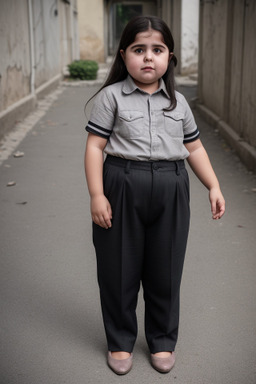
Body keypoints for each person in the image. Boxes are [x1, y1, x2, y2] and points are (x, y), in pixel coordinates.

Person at [84, 15, 225, 375]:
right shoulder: (111, 97)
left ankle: (162, 340)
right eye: (138, 50)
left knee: (166, 269)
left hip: (171, 187)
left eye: (157, 50)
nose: (148, 57)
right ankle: (119, 341)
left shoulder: (179, 103)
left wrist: (213, 185)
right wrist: (97, 195)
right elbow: (94, 146)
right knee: (118, 268)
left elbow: (194, 148)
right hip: (122, 185)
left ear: (169, 57)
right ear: (123, 55)